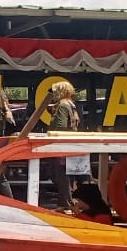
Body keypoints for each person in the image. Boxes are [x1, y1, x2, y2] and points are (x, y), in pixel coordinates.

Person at [46, 80, 80, 212]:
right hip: (69, 144)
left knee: (58, 174)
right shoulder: (72, 105)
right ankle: (68, 201)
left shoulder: (61, 105)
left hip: (60, 145)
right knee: (65, 175)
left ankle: (66, 202)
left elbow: (60, 126)